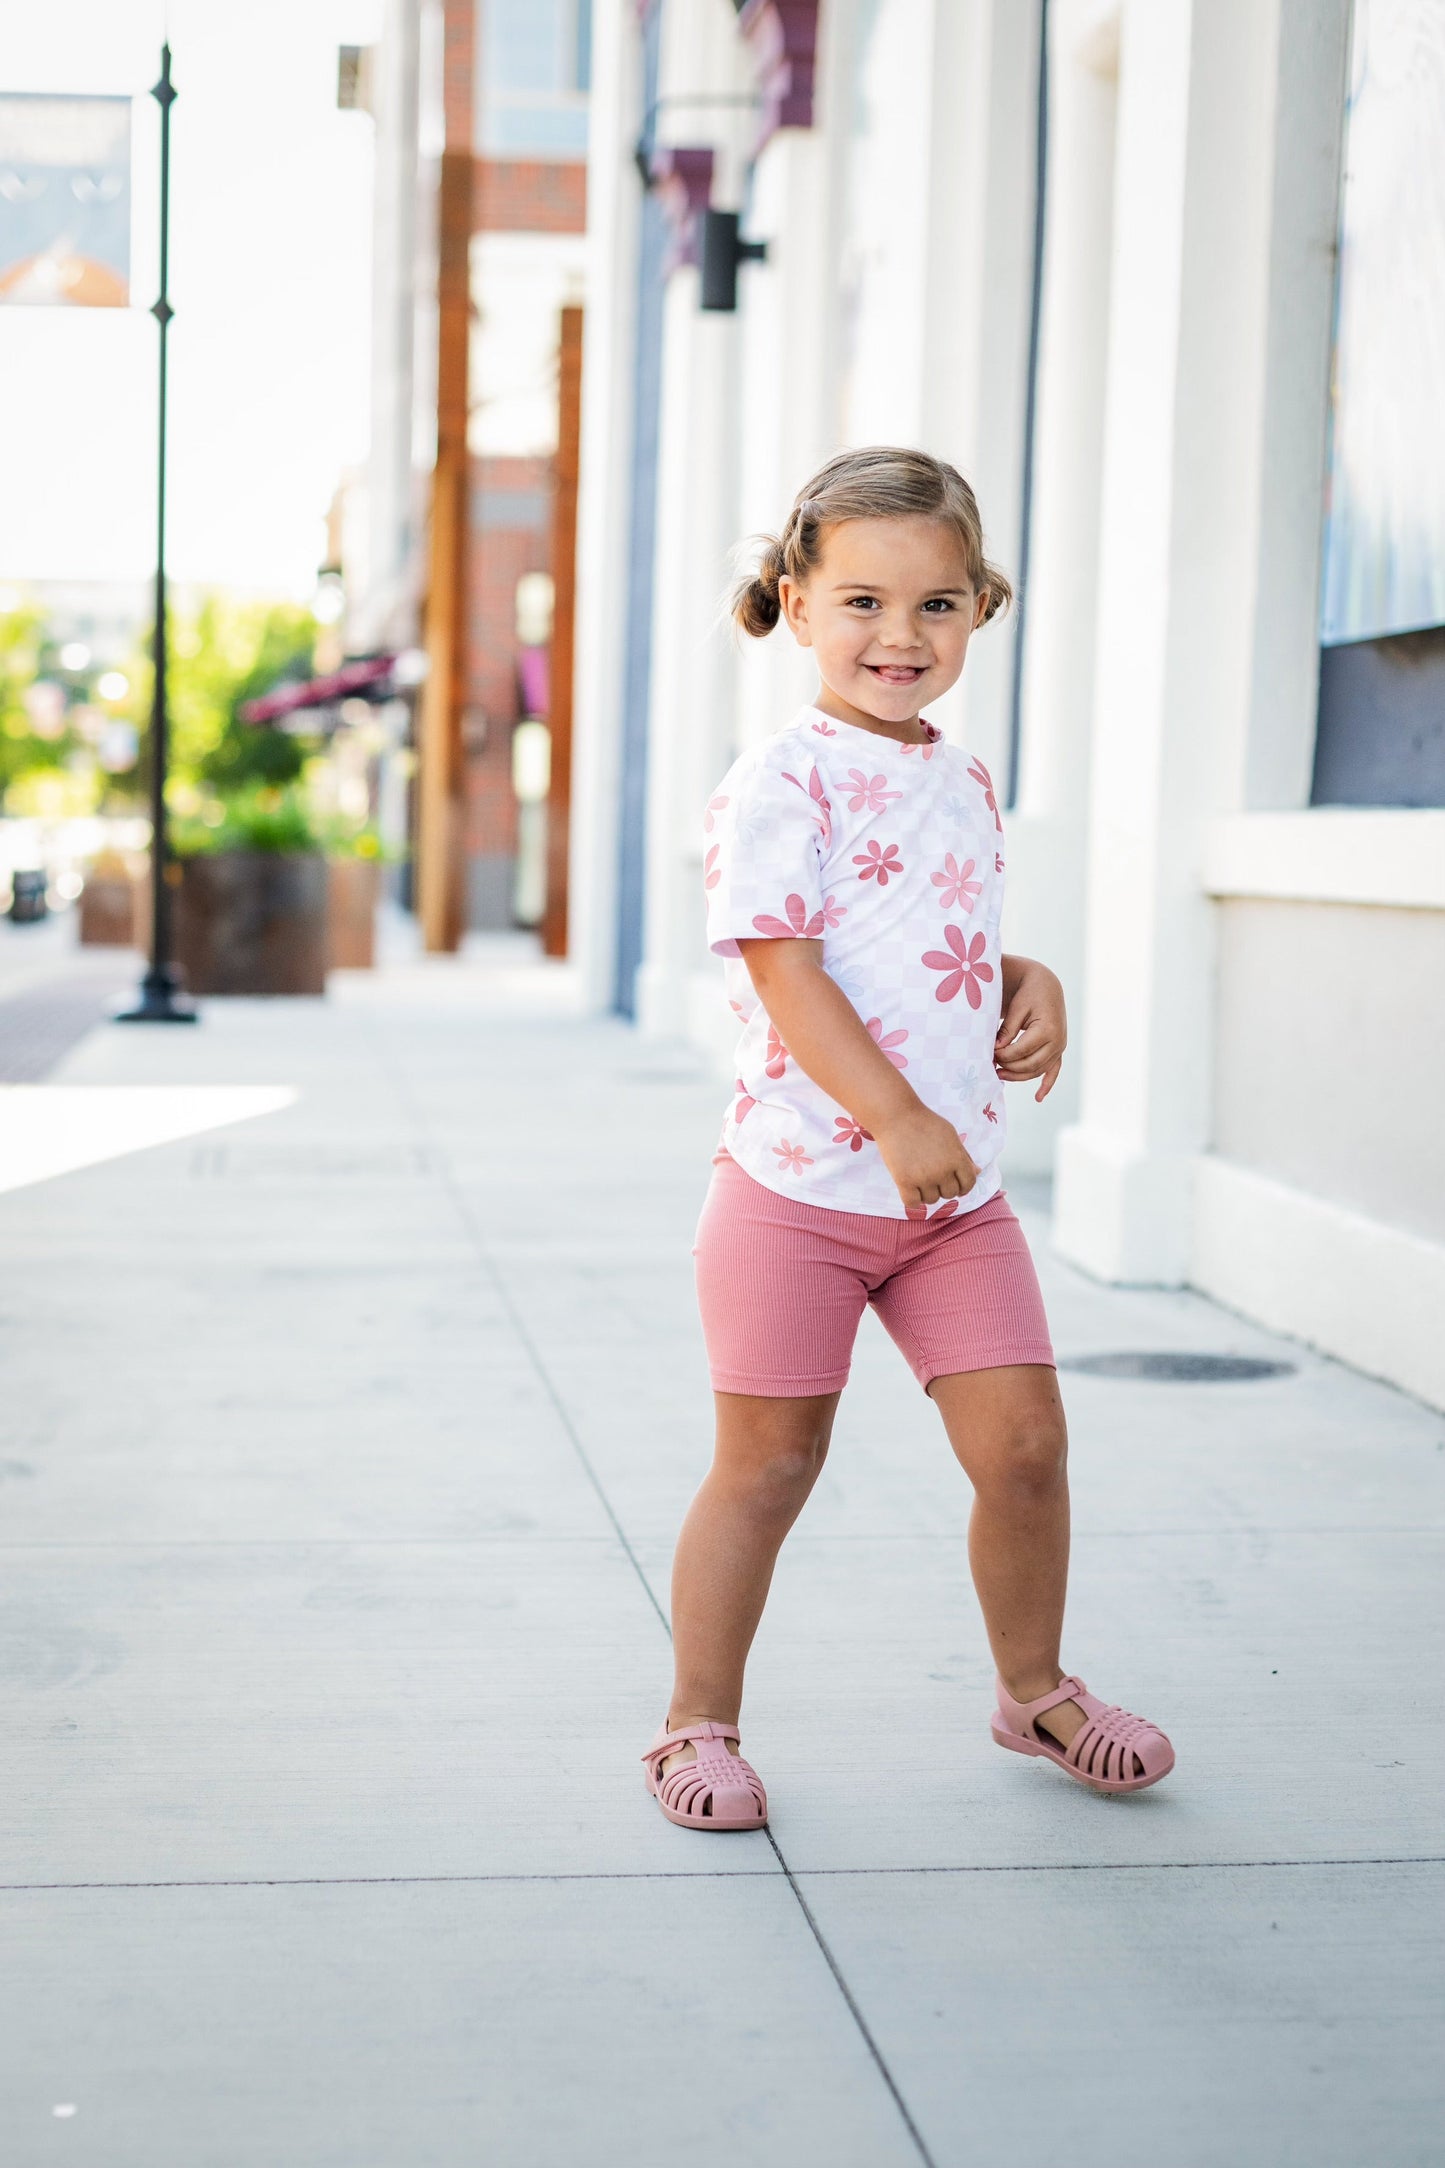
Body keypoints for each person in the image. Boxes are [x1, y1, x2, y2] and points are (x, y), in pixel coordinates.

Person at [642, 447, 1174, 1830]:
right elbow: (785, 966)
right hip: (798, 1192)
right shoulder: (781, 780)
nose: (900, 635)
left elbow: (922, 943)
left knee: (1025, 1453)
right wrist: (892, 1114)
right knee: (765, 1468)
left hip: (949, 1202)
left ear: (979, 609)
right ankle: (693, 1723)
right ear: (797, 603)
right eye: (864, 601)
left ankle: (1033, 1690)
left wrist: (1019, 980)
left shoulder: (961, 778)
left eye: (935, 605)